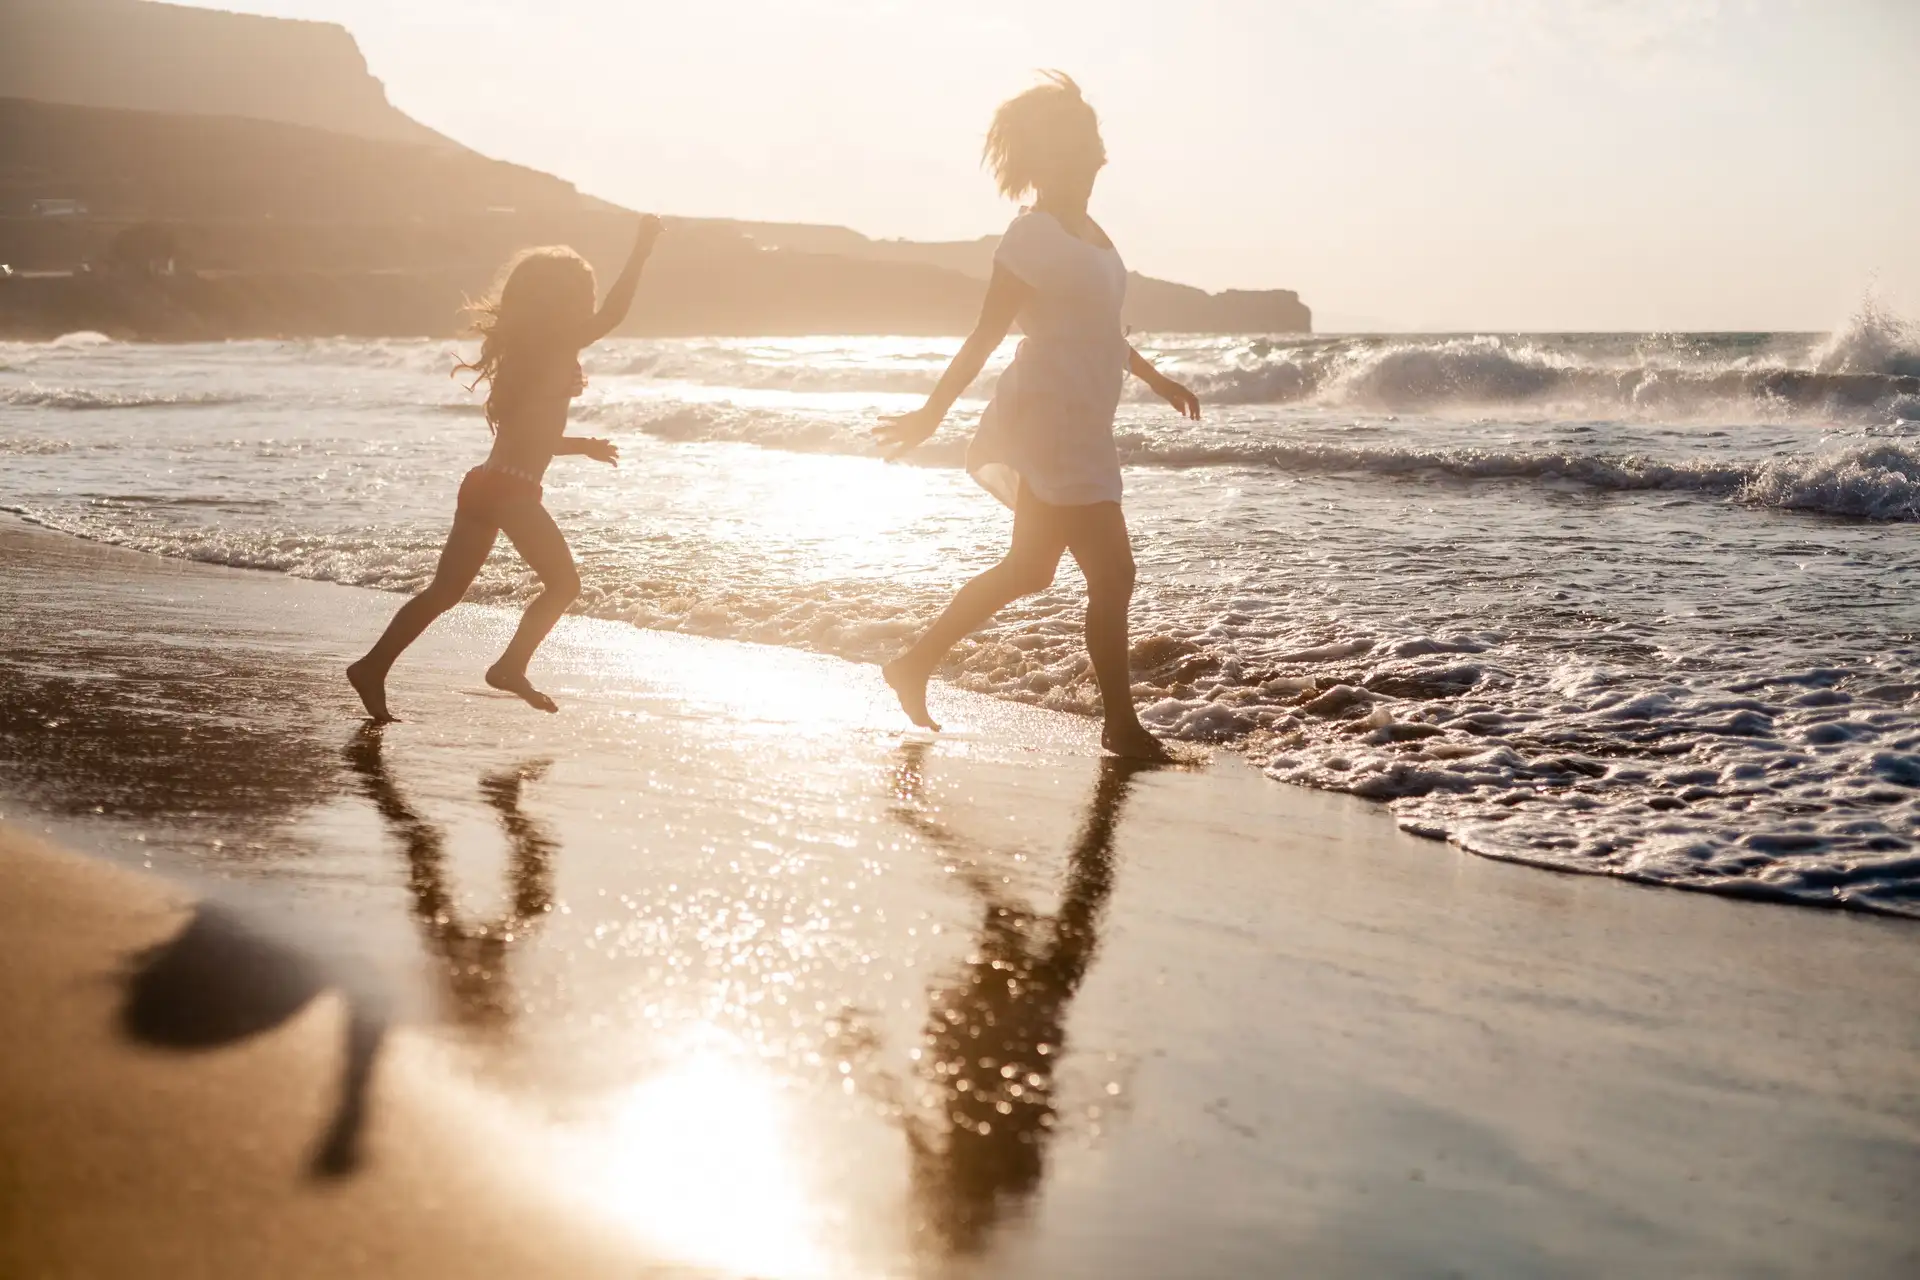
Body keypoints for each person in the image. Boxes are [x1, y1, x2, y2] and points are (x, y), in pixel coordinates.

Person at [873, 73, 1201, 760]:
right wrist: (931, 414)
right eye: (1083, 137)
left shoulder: (1092, 231)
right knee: (1113, 574)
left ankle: (913, 663)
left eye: (1095, 135)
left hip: (1085, 422)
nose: (1097, 148)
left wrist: (1157, 378)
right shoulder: (1031, 235)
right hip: (1048, 420)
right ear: (1056, 152)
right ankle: (1121, 726)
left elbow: (1101, 329)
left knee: (1030, 570)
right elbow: (985, 334)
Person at [347, 215, 664, 721]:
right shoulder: (555, 346)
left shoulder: (525, 349)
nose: (589, 299)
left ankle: (372, 667)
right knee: (564, 585)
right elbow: (616, 313)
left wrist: (577, 444)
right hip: (512, 491)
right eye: (583, 289)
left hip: (486, 484)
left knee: (445, 592)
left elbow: (526, 433)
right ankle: (510, 667)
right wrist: (642, 250)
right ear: (563, 298)